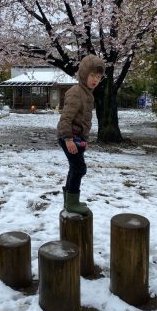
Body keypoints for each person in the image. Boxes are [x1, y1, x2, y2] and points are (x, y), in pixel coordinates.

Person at [57, 55, 105, 215]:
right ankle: (72, 202)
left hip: (77, 137)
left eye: (98, 77)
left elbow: (84, 121)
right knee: (79, 168)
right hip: (69, 136)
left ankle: (69, 200)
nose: (95, 80)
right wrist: (69, 139)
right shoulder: (76, 92)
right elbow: (66, 118)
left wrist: (85, 139)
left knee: (75, 167)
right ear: (84, 74)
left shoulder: (87, 94)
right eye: (92, 75)